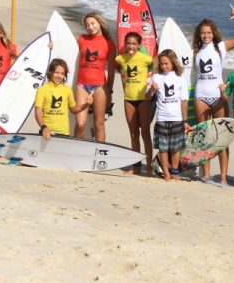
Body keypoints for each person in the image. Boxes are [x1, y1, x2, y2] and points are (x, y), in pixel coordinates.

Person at [192, 4, 234, 185]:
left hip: (219, 97)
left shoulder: (221, 47)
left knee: (221, 139)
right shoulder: (195, 50)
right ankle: (206, 175)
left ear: (214, 33)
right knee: (205, 137)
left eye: (209, 32)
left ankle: (223, 177)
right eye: (203, 33)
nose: (206, 35)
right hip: (201, 95)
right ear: (199, 34)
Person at [146, 49, 191, 181]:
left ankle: (175, 172)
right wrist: (152, 90)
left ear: (173, 62)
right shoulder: (156, 77)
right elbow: (147, 97)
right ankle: (166, 173)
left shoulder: (180, 80)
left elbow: (184, 102)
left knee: (176, 149)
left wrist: (185, 121)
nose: (163, 66)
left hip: (177, 119)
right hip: (162, 119)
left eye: (166, 63)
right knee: (163, 149)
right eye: (161, 64)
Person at [115, 32, 154, 175]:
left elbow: (158, 66)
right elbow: (114, 64)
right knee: (133, 134)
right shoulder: (121, 58)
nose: (131, 46)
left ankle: (149, 167)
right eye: (128, 43)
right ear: (125, 44)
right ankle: (136, 167)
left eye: (134, 43)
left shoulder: (145, 59)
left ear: (139, 45)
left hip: (143, 99)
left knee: (145, 133)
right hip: (128, 99)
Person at [74, 12, 116, 142]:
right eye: (87, 25)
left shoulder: (109, 44)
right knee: (80, 123)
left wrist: (110, 90)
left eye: (92, 23)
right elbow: (68, 53)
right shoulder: (81, 39)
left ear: (100, 24)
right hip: (82, 85)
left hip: (100, 87)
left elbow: (112, 70)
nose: (90, 27)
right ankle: (78, 151)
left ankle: (99, 154)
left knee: (99, 124)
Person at [35, 59, 93, 138]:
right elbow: (38, 114)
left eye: (62, 73)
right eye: (56, 72)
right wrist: (44, 128)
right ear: (51, 72)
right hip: (47, 132)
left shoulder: (67, 90)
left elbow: (74, 110)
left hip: (64, 133)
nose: (59, 76)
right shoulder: (42, 90)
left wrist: (86, 104)